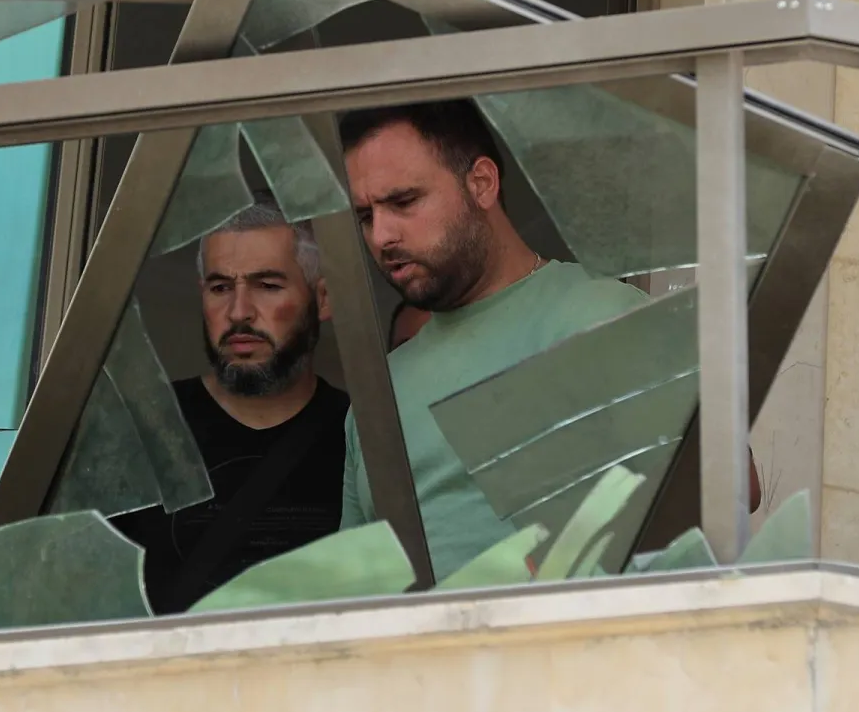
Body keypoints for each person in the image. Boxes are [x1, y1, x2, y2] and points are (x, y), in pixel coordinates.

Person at [338, 98, 757, 580]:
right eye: (365, 216)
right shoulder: (380, 387)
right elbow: (354, 589)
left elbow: (731, 494)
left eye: (403, 202)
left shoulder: (598, 315)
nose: (381, 235)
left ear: (481, 184)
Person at [112, 195, 350, 613]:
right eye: (221, 288)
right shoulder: (139, 431)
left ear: (323, 299)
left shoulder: (362, 432)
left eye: (268, 286)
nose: (239, 312)